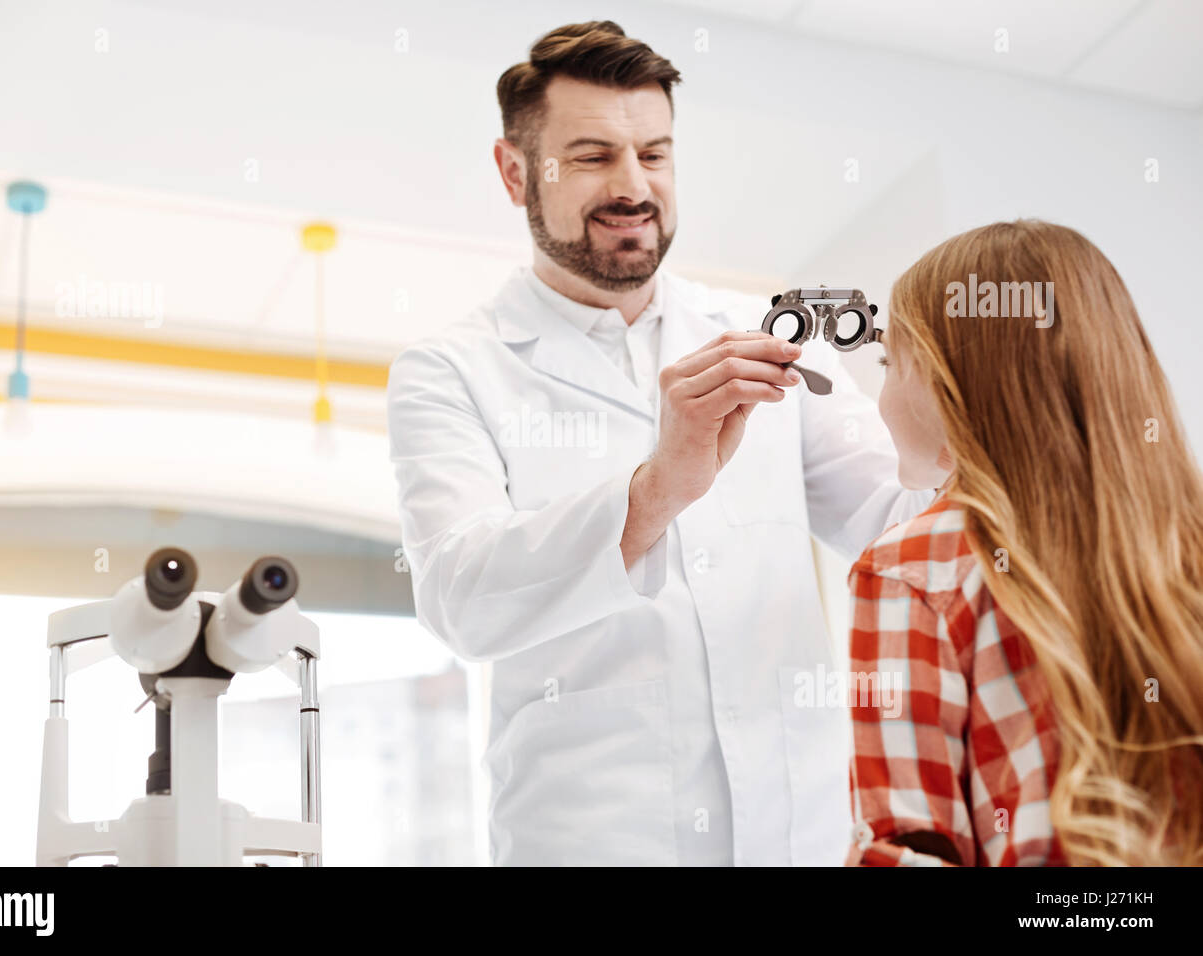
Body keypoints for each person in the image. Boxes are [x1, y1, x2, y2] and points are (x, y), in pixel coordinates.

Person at [387, 20, 928, 866]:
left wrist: (981, 416)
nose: (634, 185)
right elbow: (462, 598)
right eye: (594, 156)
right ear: (516, 171)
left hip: (805, 838)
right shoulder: (451, 371)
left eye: (656, 154)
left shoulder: (770, 336)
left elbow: (901, 524)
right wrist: (655, 493)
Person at [846, 219, 1203, 866]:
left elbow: (906, 845)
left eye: (889, 363)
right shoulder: (1188, 539)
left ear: (947, 380)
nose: (882, 392)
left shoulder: (913, 569)